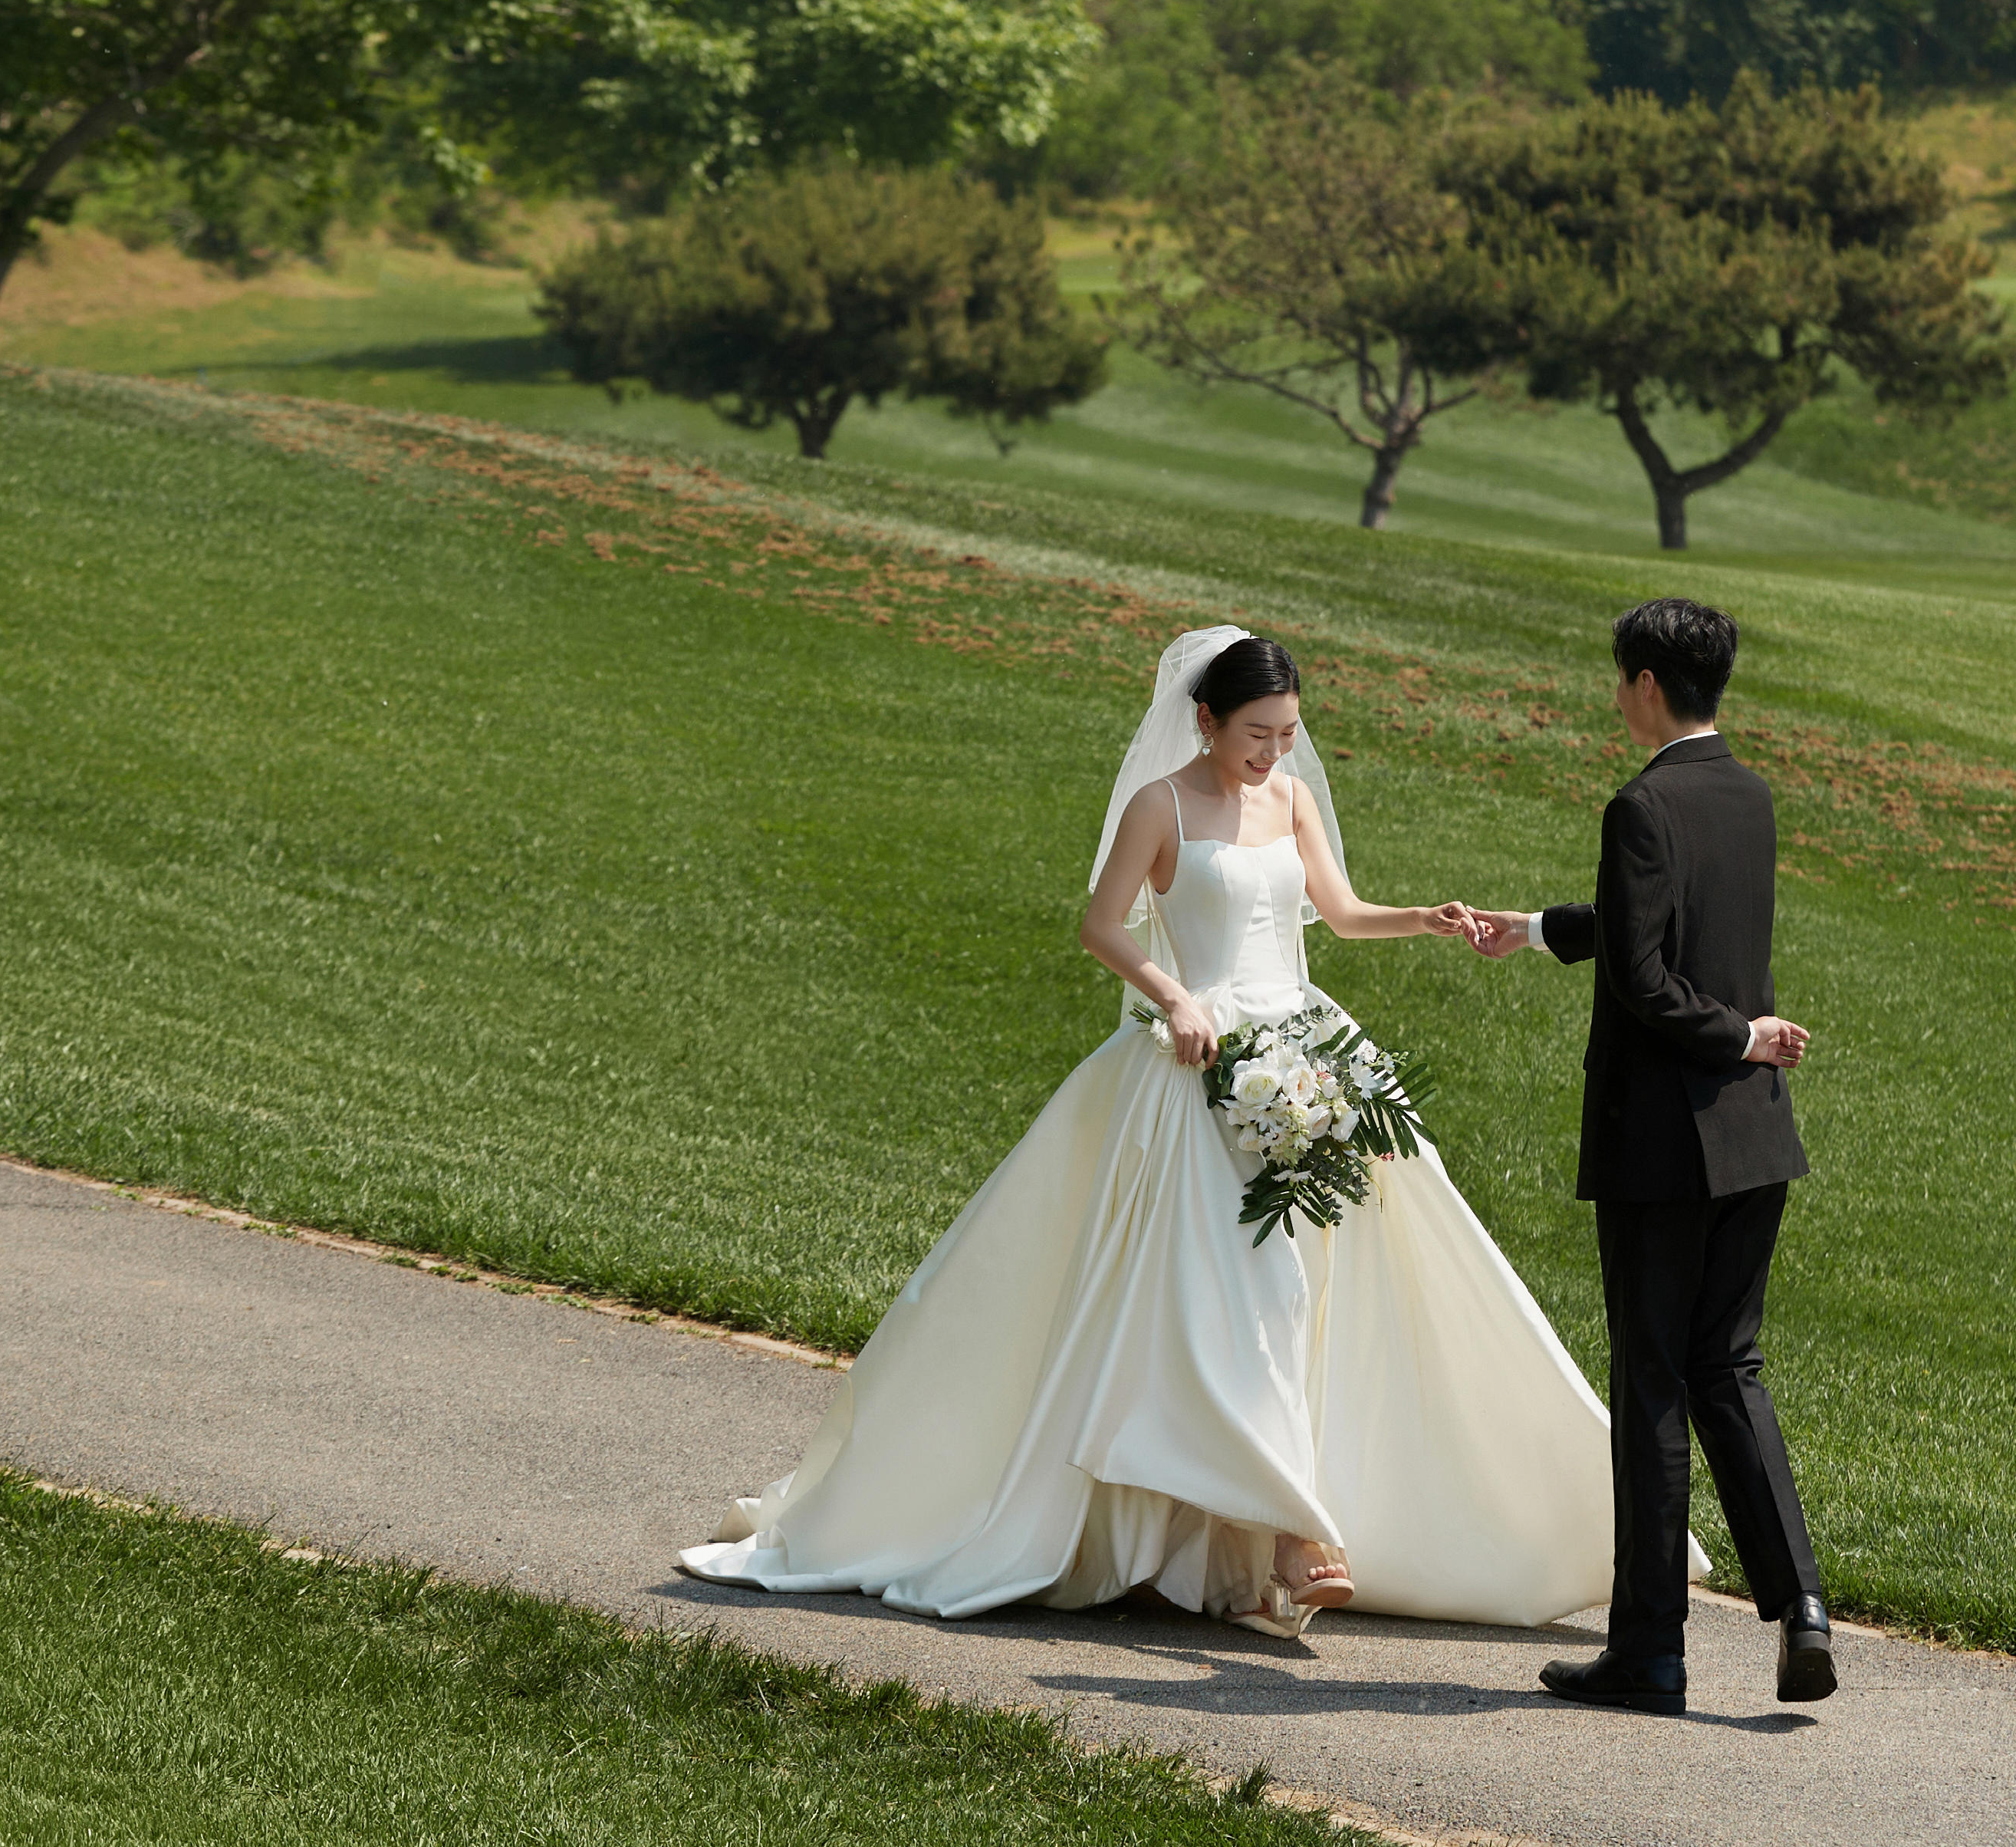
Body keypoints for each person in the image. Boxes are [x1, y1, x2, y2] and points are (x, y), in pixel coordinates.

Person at [681, 627, 1663, 1639]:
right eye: (1254, 734)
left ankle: (1278, 1532)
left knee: (1314, 1289)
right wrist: (1174, 998)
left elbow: (1339, 910)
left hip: (1303, 1056)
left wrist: (1423, 917)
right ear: (1204, 718)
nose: (1273, 753)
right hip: (1196, 1064)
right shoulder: (1162, 806)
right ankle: (1290, 1531)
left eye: (1286, 734)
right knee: (1245, 1289)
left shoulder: (1291, 798)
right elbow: (1102, 925)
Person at [1465, 598, 1832, 1714]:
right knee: (1732, 1371)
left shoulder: (1641, 802)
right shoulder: (1745, 794)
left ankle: (1650, 1655)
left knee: (1655, 1387)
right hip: (1755, 1136)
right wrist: (1531, 929)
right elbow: (1658, 927)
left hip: (1661, 1151)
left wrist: (1737, 1031)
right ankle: (1802, 1608)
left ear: (1644, 684)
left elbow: (1646, 978)